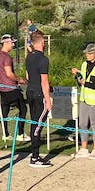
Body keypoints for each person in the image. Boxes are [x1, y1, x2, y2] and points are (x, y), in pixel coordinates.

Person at [72, 43, 95, 159]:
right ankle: (84, 148)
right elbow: (82, 80)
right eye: (86, 53)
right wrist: (77, 76)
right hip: (84, 98)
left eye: (90, 53)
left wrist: (86, 83)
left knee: (94, 124)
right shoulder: (84, 64)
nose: (87, 55)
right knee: (82, 123)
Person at [24, 30, 53, 167]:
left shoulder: (29, 57)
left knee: (34, 121)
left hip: (30, 91)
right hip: (39, 93)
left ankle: (34, 154)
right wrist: (48, 100)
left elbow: (28, 76)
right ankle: (34, 157)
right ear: (42, 42)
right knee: (38, 124)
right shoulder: (43, 59)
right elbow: (44, 81)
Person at [0, 33, 28, 143]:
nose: (13, 45)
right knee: (23, 109)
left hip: (2, 89)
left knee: (4, 112)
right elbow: (9, 73)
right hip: (12, 88)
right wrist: (19, 80)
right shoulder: (7, 57)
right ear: (6, 43)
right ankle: (20, 133)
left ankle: (5, 134)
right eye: (12, 43)